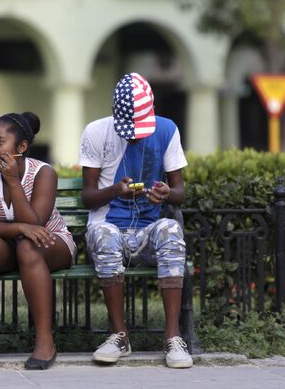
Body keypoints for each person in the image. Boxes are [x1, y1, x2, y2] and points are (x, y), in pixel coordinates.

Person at [79, 72, 192, 369]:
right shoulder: (96, 132)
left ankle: (172, 337)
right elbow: (88, 197)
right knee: (104, 234)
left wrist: (166, 193)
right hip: (109, 226)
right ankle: (119, 336)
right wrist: (116, 190)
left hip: (148, 231)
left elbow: (180, 192)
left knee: (170, 229)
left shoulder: (166, 130)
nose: (135, 136)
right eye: (129, 130)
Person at [0, 112, 75, 371]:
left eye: (0, 142)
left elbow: (37, 225)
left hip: (51, 242)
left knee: (27, 246)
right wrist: (21, 227)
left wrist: (12, 181)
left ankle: (45, 342)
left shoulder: (44, 173)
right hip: (10, 243)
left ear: (21, 147)